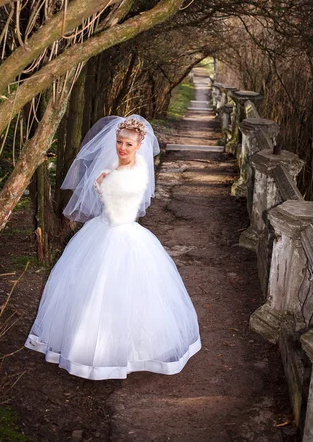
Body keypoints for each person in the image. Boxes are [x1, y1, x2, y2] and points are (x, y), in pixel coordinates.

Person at [24, 115, 201, 380]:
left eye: (129, 144)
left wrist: (103, 182)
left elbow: (122, 197)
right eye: (119, 142)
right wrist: (102, 181)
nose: (122, 147)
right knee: (89, 292)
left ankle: (126, 351)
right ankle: (85, 348)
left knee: (127, 293)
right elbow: (103, 197)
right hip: (102, 230)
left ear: (139, 145)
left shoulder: (134, 171)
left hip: (123, 233)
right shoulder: (112, 169)